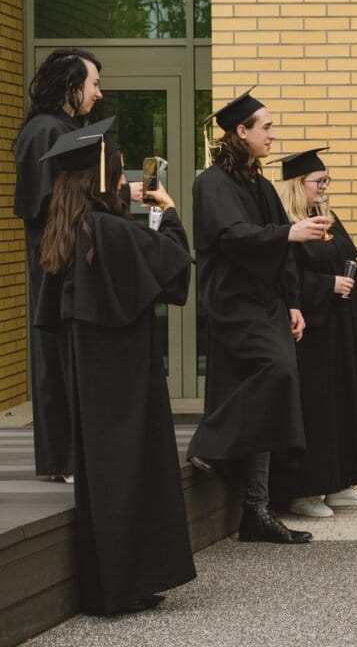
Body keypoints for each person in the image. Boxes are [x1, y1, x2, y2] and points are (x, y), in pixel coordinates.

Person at [34, 118, 195, 614]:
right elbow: (172, 264)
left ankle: (111, 585)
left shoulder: (65, 230)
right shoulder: (105, 229)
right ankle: (127, 585)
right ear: (101, 174)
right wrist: (167, 213)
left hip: (89, 375)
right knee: (132, 470)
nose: (124, 177)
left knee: (104, 476)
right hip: (126, 375)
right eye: (119, 168)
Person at [186, 90, 330, 544]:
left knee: (272, 392)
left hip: (267, 301)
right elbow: (232, 236)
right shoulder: (211, 184)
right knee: (278, 372)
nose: (272, 134)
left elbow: (283, 252)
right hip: (232, 301)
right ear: (240, 132)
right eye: (264, 127)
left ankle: (256, 510)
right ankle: (210, 442)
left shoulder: (261, 186)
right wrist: (291, 230)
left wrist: (292, 302)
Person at [272, 148, 357, 518]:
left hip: (340, 326)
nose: (324, 188)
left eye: (325, 181)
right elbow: (284, 280)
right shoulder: (286, 226)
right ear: (296, 185)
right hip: (311, 331)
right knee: (316, 408)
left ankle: (342, 484)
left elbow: (350, 266)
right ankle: (304, 492)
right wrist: (325, 286)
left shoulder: (326, 219)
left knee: (345, 404)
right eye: (318, 182)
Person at [12, 48, 104, 481]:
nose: (98, 95)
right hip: (56, 263)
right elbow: (48, 203)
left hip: (64, 259)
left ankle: (70, 456)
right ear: (71, 86)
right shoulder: (46, 131)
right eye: (93, 84)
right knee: (57, 356)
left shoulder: (62, 128)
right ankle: (64, 459)